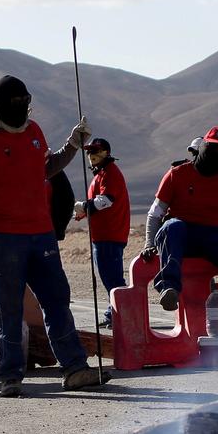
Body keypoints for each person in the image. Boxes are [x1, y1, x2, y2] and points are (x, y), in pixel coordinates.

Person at [0, 74, 107, 398]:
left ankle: (75, 368)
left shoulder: (34, 131)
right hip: (2, 237)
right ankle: (10, 376)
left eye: (25, 103)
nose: (22, 109)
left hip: (41, 234)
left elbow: (45, 168)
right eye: (15, 103)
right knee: (9, 308)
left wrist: (73, 145)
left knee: (56, 300)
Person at [140, 126, 218, 312]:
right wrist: (148, 243)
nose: (216, 153)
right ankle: (169, 288)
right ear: (203, 146)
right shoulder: (177, 175)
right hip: (180, 236)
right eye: (212, 148)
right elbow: (155, 213)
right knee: (173, 226)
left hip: (213, 236)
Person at [73, 137, 130, 328]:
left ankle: (123, 314)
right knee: (108, 276)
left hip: (109, 235)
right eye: (89, 152)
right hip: (103, 235)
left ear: (106, 152)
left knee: (112, 277)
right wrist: (83, 212)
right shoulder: (101, 174)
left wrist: (85, 206)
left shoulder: (109, 173)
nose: (91, 155)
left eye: (95, 151)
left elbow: (107, 200)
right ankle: (114, 311)